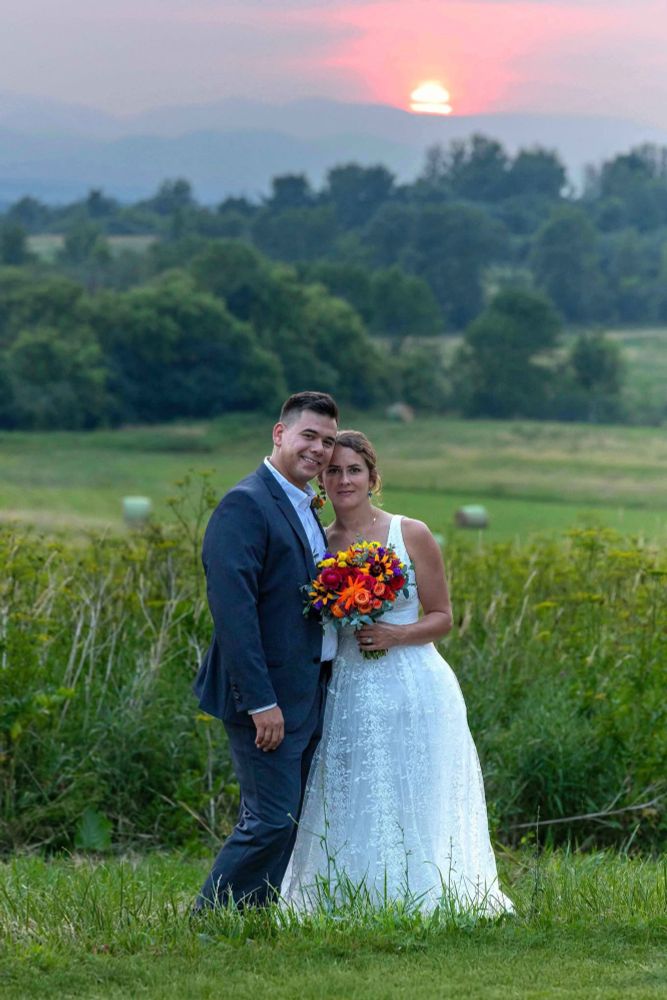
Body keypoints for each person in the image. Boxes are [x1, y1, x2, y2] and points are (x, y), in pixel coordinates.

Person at [281, 430, 513, 914]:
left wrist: (396, 634)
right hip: (348, 688)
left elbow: (443, 617)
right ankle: (350, 896)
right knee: (356, 792)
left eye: (354, 470)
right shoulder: (317, 543)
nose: (344, 480)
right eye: (334, 471)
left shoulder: (411, 533)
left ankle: (426, 892)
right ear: (322, 480)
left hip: (416, 686)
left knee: (418, 789)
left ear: (373, 477)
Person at [193, 391, 339, 909]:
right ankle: (210, 918)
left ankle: (253, 916)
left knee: (289, 817)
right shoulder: (246, 504)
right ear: (279, 434)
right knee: (270, 818)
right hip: (265, 697)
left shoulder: (303, 505)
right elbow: (234, 614)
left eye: (327, 441)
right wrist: (260, 701)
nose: (318, 449)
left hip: (305, 690)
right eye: (308, 436)